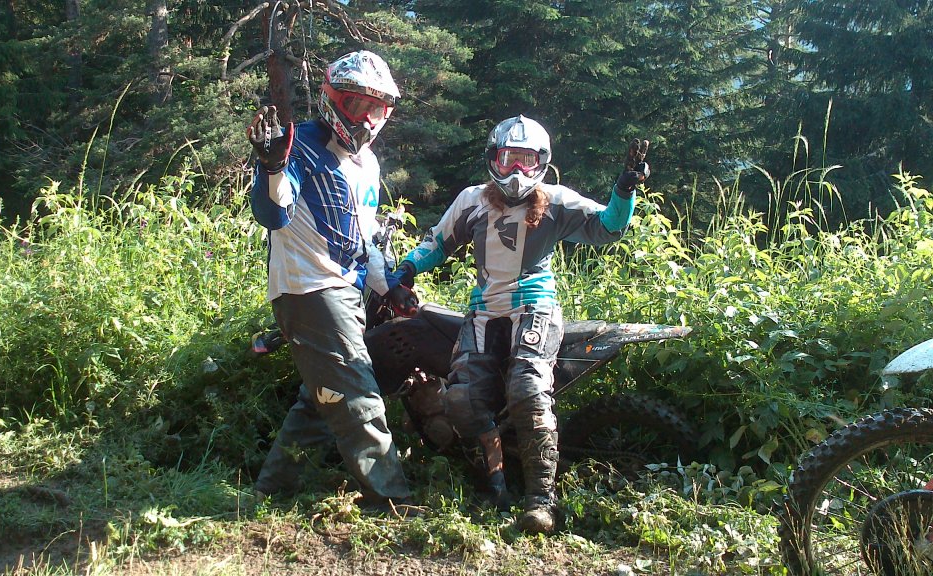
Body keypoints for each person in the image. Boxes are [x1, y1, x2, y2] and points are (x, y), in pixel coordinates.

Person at [386, 115, 650, 533]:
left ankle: (541, 500)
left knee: (528, 390)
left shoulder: (557, 200)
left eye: (526, 161)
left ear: (541, 162)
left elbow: (608, 227)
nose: (516, 171)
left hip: (535, 307)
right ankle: (493, 482)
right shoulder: (472, 200)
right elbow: (437, 241)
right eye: (509, 159)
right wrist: (405, 273)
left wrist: (624, 189)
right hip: (484, 311)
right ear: (494, 158)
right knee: (462, 401)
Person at [246, 50, 415, 511]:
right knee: (358, 391)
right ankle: (390, 499)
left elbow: (365, 239)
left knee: (320, 399)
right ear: (333, 100)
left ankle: (270, 489)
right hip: (309, 287)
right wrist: (273, 166)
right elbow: (273, 212)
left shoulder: (368, 165)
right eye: (357, 105)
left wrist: (390, 287)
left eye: (377, 108)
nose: (367, 118)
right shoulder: (296, 145)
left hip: (344, 289)